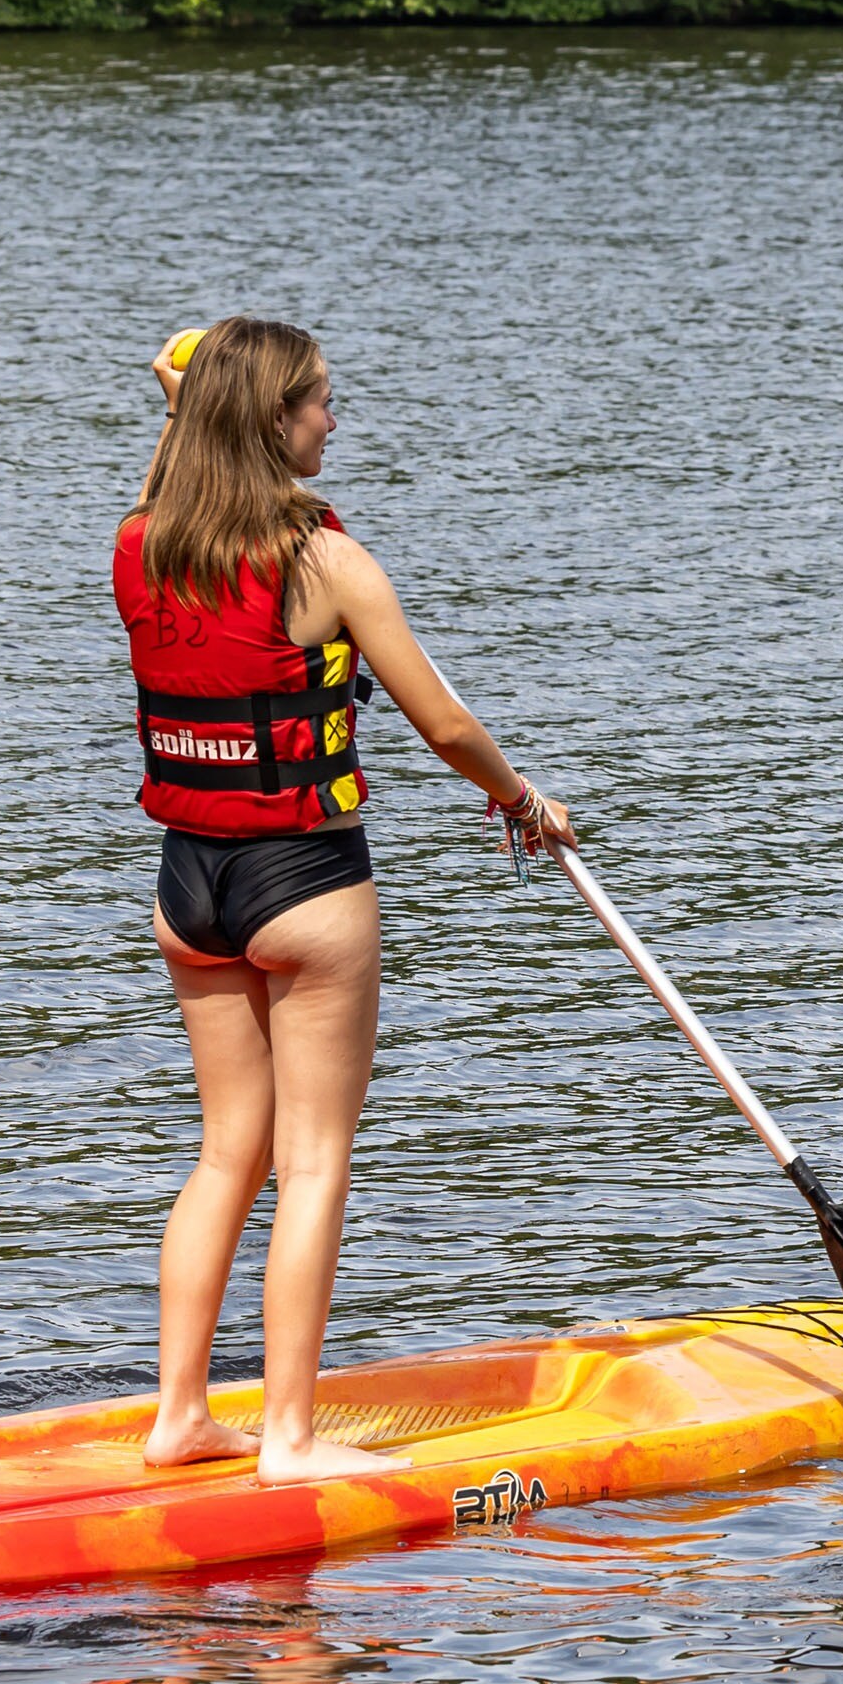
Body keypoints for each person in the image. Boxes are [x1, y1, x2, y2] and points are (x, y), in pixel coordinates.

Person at [114, 316, 574, 1483]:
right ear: (273, 418)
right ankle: (289, 1438)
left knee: (229, 1154)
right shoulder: (330, 561)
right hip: (305, 886)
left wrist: (188, 395)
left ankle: (178, 1416)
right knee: (313, 1162)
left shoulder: (141, 541)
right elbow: (446, 725)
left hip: (189, 884)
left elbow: (184, 446)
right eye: (319, 399)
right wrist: (523, 800)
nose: (335, 416)